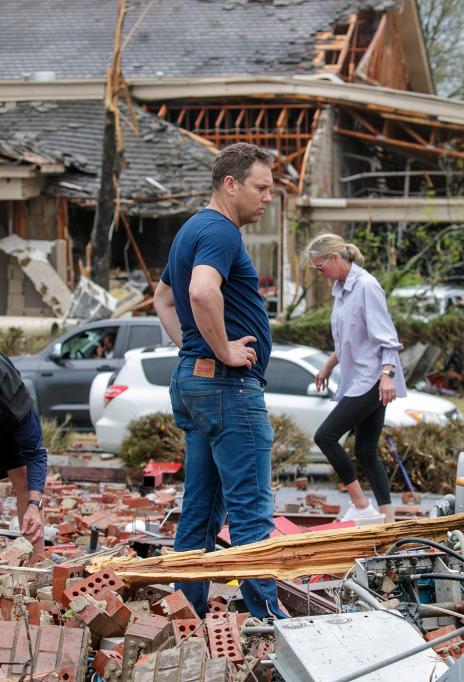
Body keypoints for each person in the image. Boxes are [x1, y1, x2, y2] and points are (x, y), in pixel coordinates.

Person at [152, 142, 286, 620]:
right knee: (250, 512)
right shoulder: (221, 231)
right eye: (261, 187)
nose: (268, 197)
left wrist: (192, 347)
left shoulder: (191, 229)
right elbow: (200, 291)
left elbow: (161, 300)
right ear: (231, 184)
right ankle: (268, 623)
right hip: (228, 388)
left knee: (201, 512)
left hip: (196, 384)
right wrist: (222, 348)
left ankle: (184, 616)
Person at [305, 234, 406, 524]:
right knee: (365, 451)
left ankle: (361, 507)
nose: (319, 273)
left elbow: (387, 338)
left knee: (324, 436)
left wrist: (387, 376)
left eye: (320, 266)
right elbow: (348, 340)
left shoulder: (366, 286)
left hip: (374, 378)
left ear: (335, 258)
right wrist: (327, 366)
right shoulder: (341, 288)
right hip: (360, 377)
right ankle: (388, 521)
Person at [0, 353, 46, 556]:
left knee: (24, 480)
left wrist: (34, 505)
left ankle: (37, 566)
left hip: (7, 417)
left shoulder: (14, 403)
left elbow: (35, 454)